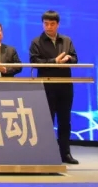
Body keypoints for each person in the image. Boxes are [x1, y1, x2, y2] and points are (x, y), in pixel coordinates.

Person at [29, 10, 80, 165]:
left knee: (65, 121)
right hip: (46, 86)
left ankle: (65, 153)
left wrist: (69, 58)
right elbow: (34, 62)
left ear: (57, 24)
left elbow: (75, 58)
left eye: (52, 24)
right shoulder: (37, 42)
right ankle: (46, 154)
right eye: (46, 24)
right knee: (47, 121)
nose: (49, 27)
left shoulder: (66, 40)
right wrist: (54, 61)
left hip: (65, 85)